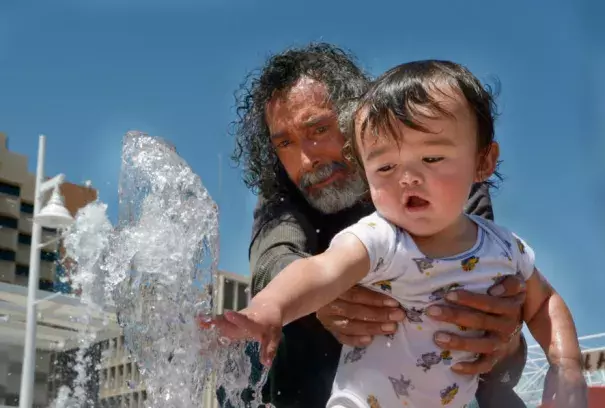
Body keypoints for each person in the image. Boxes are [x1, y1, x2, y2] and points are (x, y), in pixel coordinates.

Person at [218, 60, 587, 408]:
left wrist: (551, 355)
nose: (307, 159)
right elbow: (285, 261)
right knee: (247, 348)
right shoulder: (368, 229)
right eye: (285, 143)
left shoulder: (462, 193)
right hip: (354, 389)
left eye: (318, 130)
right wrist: (286, 305)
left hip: (453, 380)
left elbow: (535, 302)